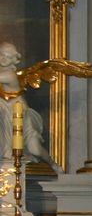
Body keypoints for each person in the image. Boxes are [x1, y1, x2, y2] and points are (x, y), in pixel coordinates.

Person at [0, 41, 62, 171]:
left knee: (35, 149)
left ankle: (52, 164)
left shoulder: (9, 75)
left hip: (19, 113)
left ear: (14, 60)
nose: (3, 59)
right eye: (1, 55)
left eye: (8, 56)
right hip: (5, 112)